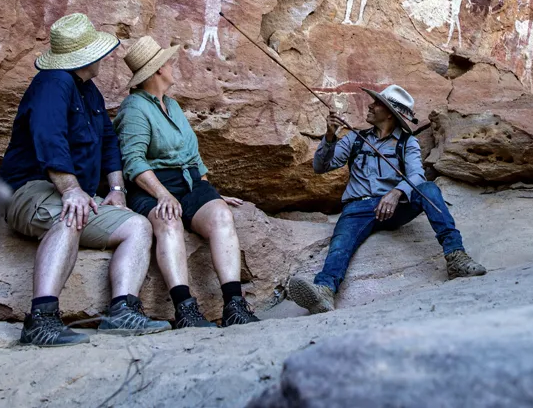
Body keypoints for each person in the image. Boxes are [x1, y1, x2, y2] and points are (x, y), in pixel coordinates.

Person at [0, 13, 170, 347]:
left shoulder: (88, 91)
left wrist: (117, 190)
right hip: (30, 190)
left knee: (137, 226)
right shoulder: (53, 83)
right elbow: (49, 137)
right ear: (86, 57)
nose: (106, 57)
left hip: (74, 192)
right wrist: (72, 190)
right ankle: (41, 320)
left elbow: (109, 141)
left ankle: (123, 310)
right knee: (71, 214)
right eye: (100, 51)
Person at [287, 85, 486, 314]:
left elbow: (416, 176)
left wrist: (396, 192)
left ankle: (456, 257)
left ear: (389, 113)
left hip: (394, 207)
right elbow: (320, 167)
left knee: (429, 190)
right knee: (341, 244)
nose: (370, 105)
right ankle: (324, 291)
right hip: (358, 207)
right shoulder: (356, 138)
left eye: (377, 103)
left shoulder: (406, 142)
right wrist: (330, 136)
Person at [113, 36, 260, 327]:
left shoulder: (173, 106)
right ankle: (185, 309)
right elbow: (134, 162)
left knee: (220, 214)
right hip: (152, 187)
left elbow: (194, 158)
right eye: (167, 63)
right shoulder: (134, 109)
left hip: (190, 184)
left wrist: (210, 194)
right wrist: (163, 195)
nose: (171, 66)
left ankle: (234, 305)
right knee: (169, 221)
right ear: (157, 71)